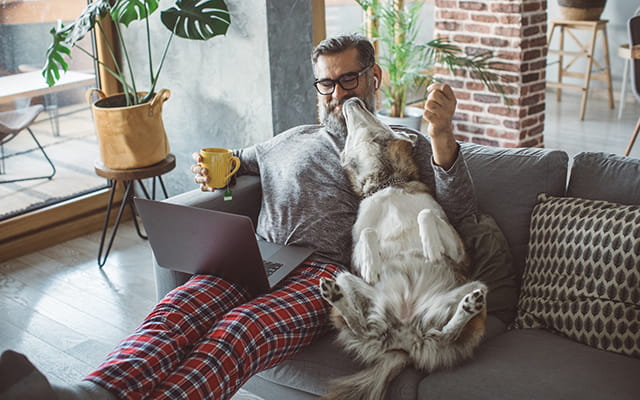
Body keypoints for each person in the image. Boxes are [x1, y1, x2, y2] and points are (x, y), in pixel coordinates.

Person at [0, 33, 477, 400]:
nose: (337, 94)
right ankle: (87, 393)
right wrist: (215, 171)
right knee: (173, 313)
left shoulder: (397, 141)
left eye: (348, 79)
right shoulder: (286, 140)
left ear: (374, 79)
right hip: (255, 257)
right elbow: (231, 162)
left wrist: (441, 136)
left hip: (325, 273)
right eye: (327, 83)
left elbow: (458, 213)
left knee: (239, 330)